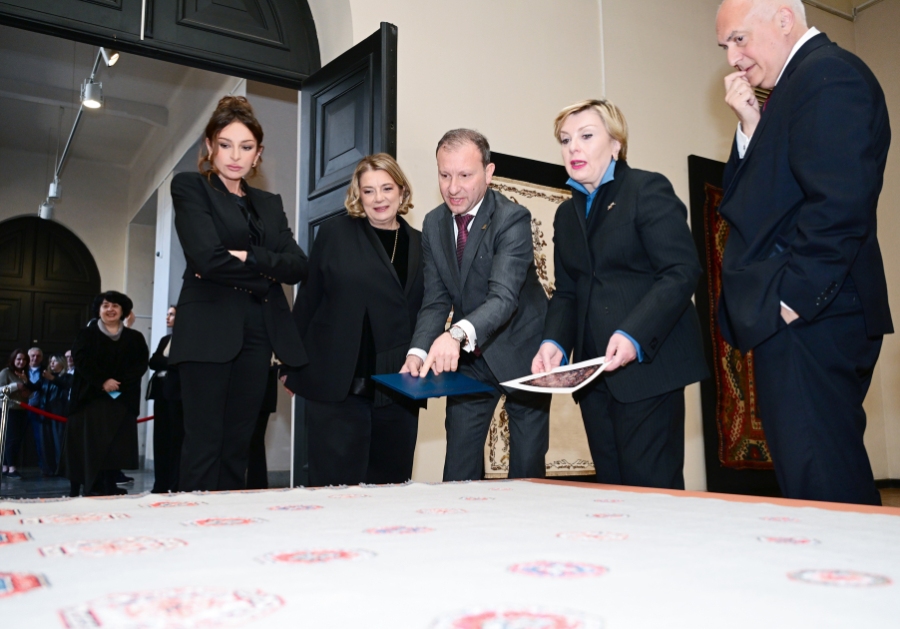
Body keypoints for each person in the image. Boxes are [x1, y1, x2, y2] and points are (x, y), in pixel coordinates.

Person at [715, 0, 891, 505]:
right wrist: (751, 124)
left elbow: (839, 204)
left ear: (784, 19)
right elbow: (759, 203)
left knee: (825, 484)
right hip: (809, 316)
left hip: (814, 315)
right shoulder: (794, 87)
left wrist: (791, 301)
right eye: (725, 45)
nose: (732, 57)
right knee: (815, 480)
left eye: (739, 39)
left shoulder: (828, 76)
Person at [532, 99, 709, 489]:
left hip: (649, 369)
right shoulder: (566, 214)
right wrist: (553, 342)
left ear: (616, 143)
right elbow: (568, 292)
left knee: (651, 494)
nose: (573, 147)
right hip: (594, 379)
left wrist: (633, 334)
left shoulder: (647, 188)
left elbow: (681, 272)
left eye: (586, 136)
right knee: (612, 495)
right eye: (565, 140)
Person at [169, 95, 308, 492]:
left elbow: (298, 265)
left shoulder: (268, 203)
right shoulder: (191, 186)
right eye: (226, 145)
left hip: (259, 334)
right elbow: (207, 258)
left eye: (246, 147)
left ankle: (228, 524)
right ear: (210, 146)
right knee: (203, 445)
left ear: (258, 154)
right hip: (206, 331)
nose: (235, 156)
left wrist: (248, 256)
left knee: (239, 446)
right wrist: (266, 274)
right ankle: (193, 522)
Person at [402, 130, 550, 482]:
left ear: (489, 172)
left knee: (526, 473)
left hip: (523, 353)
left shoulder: (512, 218)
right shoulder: (433, 223)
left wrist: (454, 335)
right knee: (458, 469)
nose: (453, 187)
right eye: (444, 175)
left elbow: (503, 298)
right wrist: (418, 351)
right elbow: (436, 299)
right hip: (471, 358)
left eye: (465, 175)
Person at [285, 153, 425, 486]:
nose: (379, 199)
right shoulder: (335, 233)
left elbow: (429, 309)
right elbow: (308, 300)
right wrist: (289, 363)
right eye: (368, 191)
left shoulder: (422, 244)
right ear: (358, 195)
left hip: (398, 388)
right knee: (334, 489)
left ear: (402, 191)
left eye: (387, 188)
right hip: (336, 385)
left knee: (390, 487)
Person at [66, 291, 149, 496]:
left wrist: (116, 384)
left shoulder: (135, 338)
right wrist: (103, 382)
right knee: (92, 447)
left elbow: (139, 365)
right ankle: (92, 487)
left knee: (115, 447)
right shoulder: (86, 334)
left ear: (123, 311)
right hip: (90, 400)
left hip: (121, 400)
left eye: (115, 306)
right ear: (99, 310)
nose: (110, 309)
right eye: (105, 305)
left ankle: (110, 485)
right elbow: (81, 361)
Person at [147, 305, 183, 493]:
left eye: (172, 314)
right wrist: (168, 362)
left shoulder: (188, 339)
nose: (167, 317)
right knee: (160, 439)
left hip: (177, 394)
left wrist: (165, 361)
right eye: (167, 314)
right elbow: (153, 362)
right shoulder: (165, 339)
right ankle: (160, 483)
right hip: (160, 392)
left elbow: (180, 363)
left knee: (175, 439)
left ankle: (174, 483)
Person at [37, 353, 72, 474]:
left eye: (54, 361)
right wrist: (25, 382)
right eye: (50, 361)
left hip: (59, 412)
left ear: (61, 363)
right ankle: (48, 468)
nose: (51, 363)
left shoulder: (67, 376)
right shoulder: (45, 377)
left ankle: (61, 468)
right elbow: (36, 387)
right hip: (44, 412)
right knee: (45, 440)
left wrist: (52, 378)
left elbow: (66, 385)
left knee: (59, 441)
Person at [1, 349, 31, 479]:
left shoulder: (25, 373)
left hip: (22, 409)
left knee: (15, 439)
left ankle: (6, 466)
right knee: (11, 439)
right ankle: (11, 467)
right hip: (8, 409)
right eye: (18, 359)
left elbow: (30, 393)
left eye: (24, 359)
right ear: (13, 359)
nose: (21, 362)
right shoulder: (5, 372)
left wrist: (27, 390)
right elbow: (0, 390)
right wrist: (16, 386)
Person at [26, 346, 53, 476]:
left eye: (38, 356)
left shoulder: (46, 371)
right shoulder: (21, 369)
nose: (35, 358)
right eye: (32, 356)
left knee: (40, 439)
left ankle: (44, 467)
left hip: (39, 409)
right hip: (20, 408)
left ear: (42, 358)